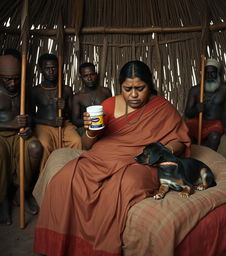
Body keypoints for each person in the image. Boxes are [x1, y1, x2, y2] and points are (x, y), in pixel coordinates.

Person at [33, 60, 191, 256]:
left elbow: (180, 141)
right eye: (127, 89)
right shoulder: (108, 105)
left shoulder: (162, 107)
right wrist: (90, 131)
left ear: (149, 85)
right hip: (104, 156)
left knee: (126, 184)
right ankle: (55, 245)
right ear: (120, 86)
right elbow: (86, 145)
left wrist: (163, 150)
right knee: (64, 178)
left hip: (141, 160)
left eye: (140, 88)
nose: (133, 94)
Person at [0, 55, 43, 225]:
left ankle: (22, 192)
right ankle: (3, 200)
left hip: (20, 134)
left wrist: (29, 127)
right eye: (8, 80)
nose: (13, 84)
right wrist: (11, 124)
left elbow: (31, 116)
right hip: (1, 136)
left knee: (35, 147)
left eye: (16, 79)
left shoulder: (25, 91)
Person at [31, 53, 82, 172]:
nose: (51, 71)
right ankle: (45, 182)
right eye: (47, 68)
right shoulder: (35, 91)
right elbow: (31, 117)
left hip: (64, 125)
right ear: (41, 70)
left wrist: (64, 108)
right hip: (43, 126)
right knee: (44, 145)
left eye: (54, 68)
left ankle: (72, 176)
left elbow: (71, 115)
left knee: (76, 141)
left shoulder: (66, 90)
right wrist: (50, 122)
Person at [184, 58, 226, 150]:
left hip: (216, 124)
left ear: (218, 74)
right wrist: (197, 109)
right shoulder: (195, 90)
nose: (209, 76)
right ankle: (193, 156)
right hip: (198, 123)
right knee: (184, 131)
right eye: (207, 73)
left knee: (214, 136)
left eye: (213, 73)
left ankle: (208, 158)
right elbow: (187, 113)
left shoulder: (225, 89)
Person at [72, 62, 112, 136]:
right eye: (86, 76)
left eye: (92, 74)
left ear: (96, 75)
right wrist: (91, 121)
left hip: (106, 127)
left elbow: (112, 112)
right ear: (81, 77)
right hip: (87, 129)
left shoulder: (105, 91)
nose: (89, 78)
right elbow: (75, 121)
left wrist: (103, 120)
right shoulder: (77, 97)